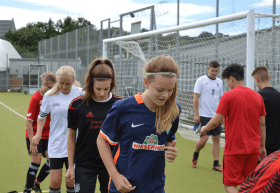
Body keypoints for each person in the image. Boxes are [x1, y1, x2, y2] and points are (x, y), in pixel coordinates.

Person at [97, 55, 181, 193]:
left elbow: (169, 140)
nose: (166, 95)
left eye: (170, 90)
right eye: (160, 90)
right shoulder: (123, 108)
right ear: (146, 82)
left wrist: (171, 149)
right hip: (124, 187)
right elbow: (101, 140)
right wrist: (115, 176)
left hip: (155, 187)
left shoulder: (174, 111)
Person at [200, 64, 266, 193]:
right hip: (253, 148)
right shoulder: (258, 97)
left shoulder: (228, 96)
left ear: (231, 79)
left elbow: (215, 121)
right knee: (249, 185)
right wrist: (262, 146)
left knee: (230, 185)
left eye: (226, 81)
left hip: (234, 148)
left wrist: (204, 128)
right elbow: (262, 124)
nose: (227, 84)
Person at [65, 58, 123, 193]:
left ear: (112, 84)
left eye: (106, 89)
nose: (102, 93)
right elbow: (71, 136)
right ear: (90, 83)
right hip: (84, 164)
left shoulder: (120, 104)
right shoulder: (77, 104)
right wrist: (70, 166)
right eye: (98, 89)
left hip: (111, 165)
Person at [31, 66, 84, 193]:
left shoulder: (80, 93)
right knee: (55, 182)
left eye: (68, 83)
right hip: (56, 144)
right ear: (57, 81)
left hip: (75, 145)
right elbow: (41, 117)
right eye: (61, 83)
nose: (64, 86)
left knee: (71, 181)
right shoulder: (49, 96)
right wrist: (38, 134)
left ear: (73, 81)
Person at [23, 72, 57, 193]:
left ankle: (36, 183)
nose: (52, 90)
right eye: (50, 87)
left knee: (51, 161)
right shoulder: (36, 98)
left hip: (48, 135)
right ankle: (27, 188)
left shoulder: (53, 96)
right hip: (35, 136)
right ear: (43, 84)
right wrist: (33, 142)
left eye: (54, 88)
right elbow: (29, 122)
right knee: (36, 161)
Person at [191, 61, 223, 171]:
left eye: (216, 71)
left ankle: (216, 164)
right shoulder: (201, 80)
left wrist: (221, 115)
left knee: (217, 139)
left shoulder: (220, 82)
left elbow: (220, 99)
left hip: (216, 115)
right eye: (212, 70)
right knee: (204, 139)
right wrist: (196, 114)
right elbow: (195, 98)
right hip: (204, 115)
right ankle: (195, 154)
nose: (214, 73)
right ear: (208, 69)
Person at [252, 66, 280, 156]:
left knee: (259, 169)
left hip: (261, 141)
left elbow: (254, 121)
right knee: (272, 168)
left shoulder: (257, 96)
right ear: (269, 78)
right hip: (276, 141)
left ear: (257, 79)